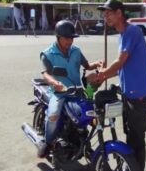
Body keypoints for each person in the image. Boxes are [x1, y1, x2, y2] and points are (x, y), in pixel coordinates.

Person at [96, 0, 146, 171]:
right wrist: (105, 74)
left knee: (137, 138)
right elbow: (121, 66)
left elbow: (120, 61)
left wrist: (99, 76)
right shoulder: (122, 34)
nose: (105, 16)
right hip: (129, 93)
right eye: (104, 13)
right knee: (130, 135)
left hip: (139, 96)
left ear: (119, 13)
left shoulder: (131, 31)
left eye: (108, 12)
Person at [37, 20, 103, 158]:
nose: (69, 41)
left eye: (71, 38)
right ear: (58, 37)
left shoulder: (76, 51)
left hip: (77, 90)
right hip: (58, 92)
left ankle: (83, 144)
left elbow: (87, 65)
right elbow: (45, 74)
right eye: (66, 38)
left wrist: (96, 64)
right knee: (54, 115)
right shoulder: (48, 53)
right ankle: (48, 143)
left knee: (87, 113)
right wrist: (54, 82)